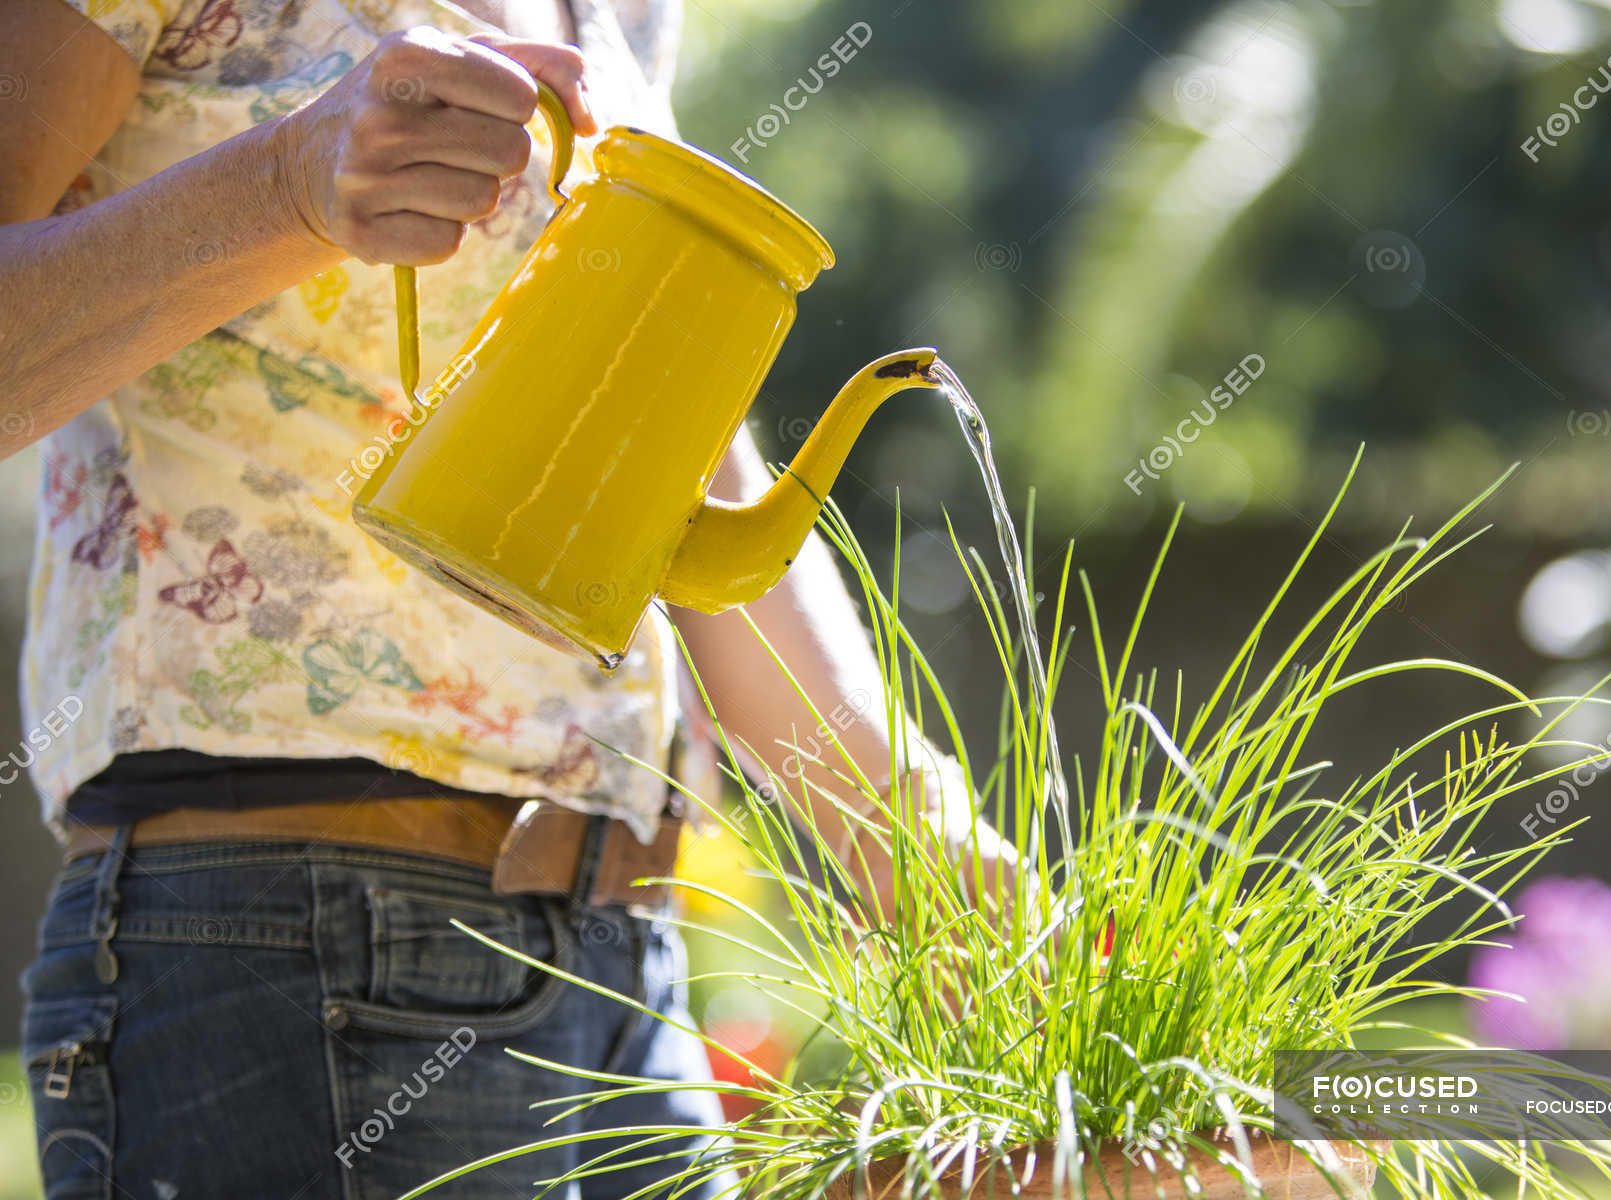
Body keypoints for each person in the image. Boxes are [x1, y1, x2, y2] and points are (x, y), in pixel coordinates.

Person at [0, 0, 1006, 1195]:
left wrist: (901, 824)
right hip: (283, 937)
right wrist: (287, 185)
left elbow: (680, 461)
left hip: (623, 962)